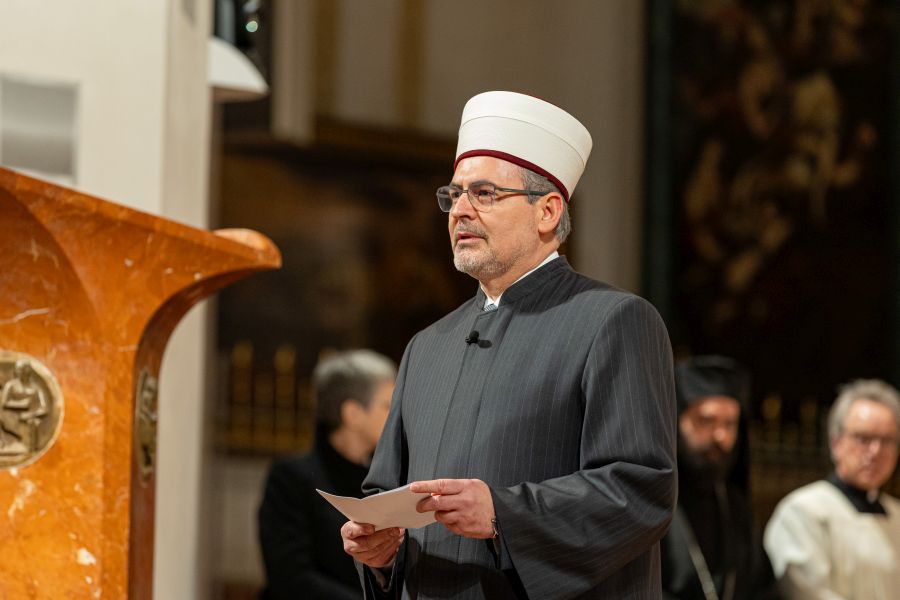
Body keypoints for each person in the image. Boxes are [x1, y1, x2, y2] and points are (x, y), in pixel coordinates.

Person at [340, 91, 677, 599]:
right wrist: (378, 551)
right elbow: (383, 495)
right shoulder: (426, 347)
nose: (460, 211)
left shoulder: (614, 321)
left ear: (547, 212)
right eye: (453, 195)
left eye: (484, 194)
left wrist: (503, 514)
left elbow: (639, 489)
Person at [258, 349, 397, 600]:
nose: (396, 417)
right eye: (387, 405)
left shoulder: (386, 479)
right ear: (352, 413)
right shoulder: (291, 478)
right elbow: (291, 579)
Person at [764, 379, 900, 599]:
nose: (875, 451)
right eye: (863, 438)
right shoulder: (802, 512)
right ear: (836, 443)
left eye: (887, 440)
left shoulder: (897, 515)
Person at [661, 355, 778, 600]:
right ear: (676, 421)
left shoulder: (735, 507)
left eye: (730, 423)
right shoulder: (652, 503)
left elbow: (764, 590)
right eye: (706, 420)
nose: (720, 436)